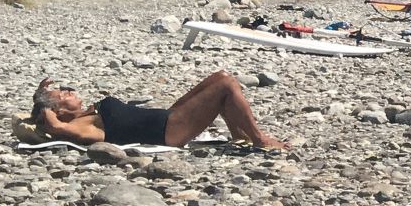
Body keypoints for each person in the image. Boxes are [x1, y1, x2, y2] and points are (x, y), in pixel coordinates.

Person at [31, 72, 287, 151]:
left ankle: (240, 134)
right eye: (62, 96)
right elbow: (56, 128)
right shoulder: (78, 126)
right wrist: (42, 105)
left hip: (167, 117)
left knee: (220, 77)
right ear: (58, 111)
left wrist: (44, 97)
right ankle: (259, 139)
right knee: (227, 85)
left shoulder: (86, 114)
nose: (69, 91)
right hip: (169, 131)